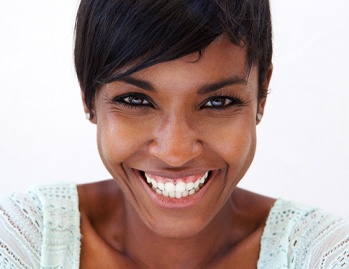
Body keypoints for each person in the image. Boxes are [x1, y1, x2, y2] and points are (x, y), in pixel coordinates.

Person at [0, 0, 348, 268]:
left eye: (218, 102)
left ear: (262, 93)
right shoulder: (20, 241)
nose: (175, 152)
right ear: (89, 97)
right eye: (136, 100)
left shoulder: (324, 255)